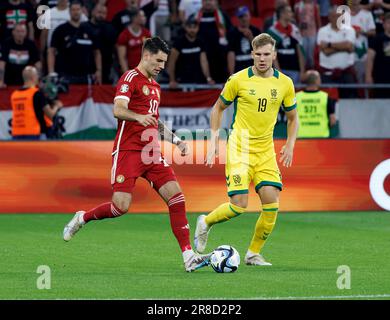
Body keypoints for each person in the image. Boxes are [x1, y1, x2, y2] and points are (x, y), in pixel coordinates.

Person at [62, 37, 211, 272]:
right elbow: (118, 109)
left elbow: (155, 121)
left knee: (177, 198)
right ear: (146, 55)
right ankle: (83, 218)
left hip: (151, 153)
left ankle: (188, 256)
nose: (162, 66)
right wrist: (138, 116)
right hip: (128, 151)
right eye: (159, 61)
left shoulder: (155, 87)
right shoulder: (129, 78)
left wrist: (176, 140)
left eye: (165, 61)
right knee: (120, 207)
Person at [194, 33, 299, 266]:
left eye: (267, 54)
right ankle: (206, 222)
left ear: (274, 54)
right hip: (240, 147)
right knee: (239, 205)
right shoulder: (238, 79)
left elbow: (293, 117)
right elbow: (217, 109)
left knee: (272, 205)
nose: (262, 59)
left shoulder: (285, 83)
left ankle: (253, 253)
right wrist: (213, 140)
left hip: (266, 152)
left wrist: (290, 144)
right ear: (252, 54)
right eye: (258, 54)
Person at [48, 0, 102, 84]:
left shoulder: (90, 30)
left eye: (78, 9)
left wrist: (98, 70)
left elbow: (97, 52)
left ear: (82, 11)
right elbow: (51, 51)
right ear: (69, 12)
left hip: (86, 75)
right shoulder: (60, 30)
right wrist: (51, 72)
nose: (75, 12)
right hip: (66, 76)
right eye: (73, 10)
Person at [10, 66, 62, 140]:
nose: (38, 77)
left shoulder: (14, 94)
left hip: (16, 133)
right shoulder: (37, 93)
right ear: (33, 77)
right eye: (37, 75)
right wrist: (57, 106)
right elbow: (50, 115)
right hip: (34, 133)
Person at [316, 6, 357, 98]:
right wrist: (344, 47)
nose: (337, 18)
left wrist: (329, 44)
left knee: (349, 100)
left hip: (346, 73)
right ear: (329, 17)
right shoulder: (322, 31)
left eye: (339, 16)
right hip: (328, 75)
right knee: (328, 102)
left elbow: (349, 46)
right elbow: (326, 52)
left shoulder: (350, 30)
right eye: (334, 16)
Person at [167, 14, 214, 88]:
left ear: (198, 28)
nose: (192, 30)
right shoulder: (179, 42)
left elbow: (204, 61)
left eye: (194, 27)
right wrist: (172, 80)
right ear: (185, 28)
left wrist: (208, 78)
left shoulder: (200, 42)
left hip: (197, 79)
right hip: (182, 80)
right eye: (189, 27)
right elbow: (172, 62)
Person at [266, 4, 306, 84]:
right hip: (280, 71)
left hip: (295, 71)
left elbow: (300, 52)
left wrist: (302, 71)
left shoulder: (295, 30)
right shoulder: (272, 32)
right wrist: (278, 72)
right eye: (289, 12)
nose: (292, 14)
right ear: (282, 14)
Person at [296, 70, 336, 138]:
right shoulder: (326, 97)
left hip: (301, 136)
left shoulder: (296, 97)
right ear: (317, 81)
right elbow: (332, 121)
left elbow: (290, 119)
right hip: (321, 136)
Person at [227, 5, 261, 75]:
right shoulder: (232, 33)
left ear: (249, 16)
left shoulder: (256, 31)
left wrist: (251, 38)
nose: (244, 19)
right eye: (241, 17)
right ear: (238, 19)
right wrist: (231, 74)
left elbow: (261, 51)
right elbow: (231, 54)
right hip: (239, 69)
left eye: (245, 16)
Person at [117, 9, 151, 74]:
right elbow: (122, 58)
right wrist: (127, 75)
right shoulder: (124, 35)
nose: (145, 18)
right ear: (135, 18)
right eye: (142, 16)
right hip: (131, 71)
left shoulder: (147, 33)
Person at [366, 12, 390, 98]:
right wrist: (368, 75)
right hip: (380, 78)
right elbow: (369, 58)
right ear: (384, 25)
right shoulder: (377, 39)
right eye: (389, 22)